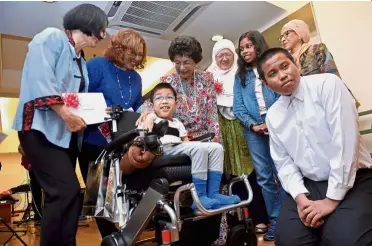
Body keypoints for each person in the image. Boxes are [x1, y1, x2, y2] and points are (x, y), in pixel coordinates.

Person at [12, 4, 108, 246]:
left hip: (63, 136)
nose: (104, 35)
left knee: (72, 195)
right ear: (89, 24)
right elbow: (39, 77)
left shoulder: (80, 59)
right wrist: (66, 114)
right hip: (39, 130)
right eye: (102, 29)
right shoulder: (51, 37)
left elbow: (76, 98)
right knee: (62, 192)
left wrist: (99, 111)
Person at [258, 47, 372, 246]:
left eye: (285, 66)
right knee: (287, 239)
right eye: (273, 74)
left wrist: (331, 201)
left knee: (344, 239)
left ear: (296, 63)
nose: (282, 75)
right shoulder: (273, 115)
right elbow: (283, 164)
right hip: (310, 185)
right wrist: (301, 199)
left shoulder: (328, 84)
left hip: (354, 178)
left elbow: (345, 145)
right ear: (266, 84)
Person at [79, 28, 146, 239]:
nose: (136, 59)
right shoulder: (96, 66)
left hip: (124, 146)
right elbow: (78, 100)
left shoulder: (136, 78)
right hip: (94, 142)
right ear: (119, 48)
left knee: (125, 195)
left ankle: (124, 236)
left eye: (139, 55)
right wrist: (105, 111)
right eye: (133, 53)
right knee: (100, 200)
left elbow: (136, 107)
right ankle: (113, 240)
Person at [140, 83, 240, 210]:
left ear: (176, 104)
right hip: (162, 151)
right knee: (199, 148)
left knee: (216, 147)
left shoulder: (177, 123)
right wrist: (149, 116)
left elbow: (186, 142)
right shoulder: (151, 119)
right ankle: (199, 198)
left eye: (169, 98)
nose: (164, 101)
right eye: (159, 98)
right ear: (152, 105)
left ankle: (214, 194)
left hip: (180, 148)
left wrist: (192, 144)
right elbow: (144, 135)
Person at [207, 39, 269, 234]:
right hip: (223, 130)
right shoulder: (209, 77)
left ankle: (260, 218)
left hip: (245, 125)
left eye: (228, 54)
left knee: (254, 172)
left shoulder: (242, 74)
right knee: (229, 175)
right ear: (214, 58)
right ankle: (237, 222)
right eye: (219, 55)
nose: (224, 58)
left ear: (234, 56)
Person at [232, 30, 285, 241]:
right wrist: (253, 125)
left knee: (283, 172)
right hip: (253, 129)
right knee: (264, 176)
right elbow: (238, 107)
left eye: (248, 46)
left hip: (278, 124)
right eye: (242, 48)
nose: (245, 51)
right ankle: (275, 221)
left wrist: (271, 121)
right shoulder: (240, 76)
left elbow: (283, 95)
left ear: (258, 45)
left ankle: (292, 218)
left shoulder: (269, 67)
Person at [279, 19, 360, 108]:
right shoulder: (286, 62)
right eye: (281, 36)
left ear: (299, 34)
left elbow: (333, 77)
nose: (283, 39)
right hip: (307, 107)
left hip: (329, 101)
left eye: (287, 34)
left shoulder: (317, 49)